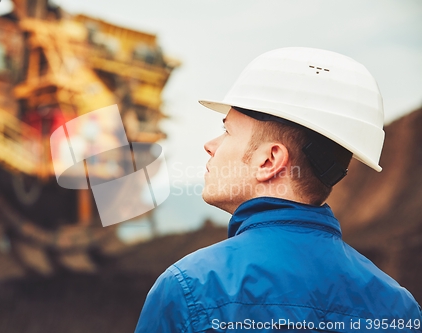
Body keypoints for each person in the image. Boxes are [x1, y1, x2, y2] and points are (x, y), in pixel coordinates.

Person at [134, 47, 422, 332]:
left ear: (270, 160)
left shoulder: (190, 288)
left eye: (227, 131)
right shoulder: (401, 308)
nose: (210, 145)